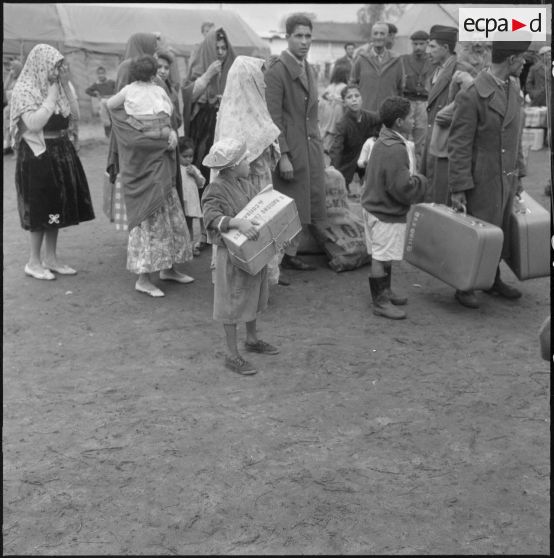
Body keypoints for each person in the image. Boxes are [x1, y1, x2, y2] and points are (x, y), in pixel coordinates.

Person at [448, 38, 531, 309]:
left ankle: (492, 278)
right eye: (522, 59)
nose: (525, 63)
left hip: (506, 175)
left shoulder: (513, 87)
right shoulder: (471, 94)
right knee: (478, 231)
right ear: (511, 60)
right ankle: (465, 285)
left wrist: (519, 173)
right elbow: (459, 144)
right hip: (481, 176)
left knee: (500, 230)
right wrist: (459, 185)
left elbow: (516, 135)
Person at [107, 51, 194, 297]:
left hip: (162, 159)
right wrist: (137, 130)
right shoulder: (129, 91)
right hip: (144, 162)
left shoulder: (159, 90)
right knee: (149, 218)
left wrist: (171, 134)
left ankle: (169, 268)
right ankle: (143, 278)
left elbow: (172, 118)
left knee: (170, 213)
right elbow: (111, 107)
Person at [9, 44, 95, 280]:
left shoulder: (57, 86)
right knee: (39, 208)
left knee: (55, 208)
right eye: (55, 67)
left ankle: (51, 258)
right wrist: (51, 96)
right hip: (37, 157)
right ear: (41, 64)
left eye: (60, 66)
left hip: (60, 153)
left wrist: (66, 87)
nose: (58, 71)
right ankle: (33, 262)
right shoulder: (24, 90)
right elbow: (35, 124)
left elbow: (74, 117)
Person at [202, 138, 279, 376]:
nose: (249, 162)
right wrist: (237, 222)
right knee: (232, 303)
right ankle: (231, 354)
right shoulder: (216, 188)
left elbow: (259, 209)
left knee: (252, 296)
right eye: (245, 159)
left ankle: (252, 339)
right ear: (234, 164)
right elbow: (210, 216)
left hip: (253, 252)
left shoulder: (244, 184)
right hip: (232, 257)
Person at [212, 55, 283, 285]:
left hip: (260, 182)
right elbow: (233, 156)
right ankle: (243, 280)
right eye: (260, 77)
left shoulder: (255, 106)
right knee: (248, 231)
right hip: (243, 188)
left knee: (262, 230)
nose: (263, 82)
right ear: (249, 79)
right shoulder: (234, 114)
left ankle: (262, 280)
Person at [264, 13, 326, 275]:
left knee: (303, 202)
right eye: (298, 36)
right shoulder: (278, 70)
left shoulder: (308, 67)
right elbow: (272, 117)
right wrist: (284, 155)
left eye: (308, 36)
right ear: (287, 38)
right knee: (286, 203)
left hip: (310, 146)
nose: (304, 41)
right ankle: (278, 259)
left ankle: (290, 254)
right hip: (291, 147)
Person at [361, 96, 427, 319]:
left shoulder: (383, 139)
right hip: (384, 212)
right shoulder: (396, 148)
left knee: (383, 253)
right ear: (399, 121)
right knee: (381, 255)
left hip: (373, 206)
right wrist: (420, 182)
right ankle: (380, 301)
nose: (414, 121)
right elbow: (401, 187)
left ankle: (385, 291)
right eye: (410, 118)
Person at [422, 25, 474, 203]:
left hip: (448, 142)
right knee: (431, 190)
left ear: (446, 48)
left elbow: (467, 108)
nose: (427, 51)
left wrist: (444, 116)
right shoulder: (434, 69)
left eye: (432, 46)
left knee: (442, 194)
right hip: (433, 139)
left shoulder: (462, 70)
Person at [182, 27, 237, 182]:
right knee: (202, 163)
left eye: (223, 48)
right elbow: (187, 97)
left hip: (225, 127)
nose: (220, 52)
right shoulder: (198, 67)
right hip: (201, 129)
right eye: (216, 48)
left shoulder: (232, 70)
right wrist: (208, 75)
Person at [329, 84, 381, 195]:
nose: (354, 99)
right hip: (348, 158)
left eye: (357, 96)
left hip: (366, 157)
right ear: (344, 102)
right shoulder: (342, 124)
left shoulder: (371, 117)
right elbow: (336, 148)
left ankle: (367, 185)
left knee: (370, 186)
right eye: (349, 97)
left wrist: (377, 136)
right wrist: (333, 170)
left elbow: (384, 120)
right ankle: (345, 186)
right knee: (341, 189)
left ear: (361, 98)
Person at [107, 55, 173, 138]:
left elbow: (110, 104)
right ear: (153, 77)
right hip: (163, 128)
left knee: (130, 119)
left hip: (144, 129)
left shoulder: (128, 89)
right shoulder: (159, 89)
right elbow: (170, 107)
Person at [349, 22, 403, 113]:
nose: (378, 37)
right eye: (376, 33)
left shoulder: (396, 61)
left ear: (387, 36)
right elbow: (352, 85)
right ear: (371, 36)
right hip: (365, 114)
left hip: (388, 115)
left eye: (382, 34)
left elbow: (400, 88)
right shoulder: (361, 59)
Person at [400, 30, 433, 171]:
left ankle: (419, 172)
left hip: (424, 103)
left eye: (421, 44)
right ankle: (402, 169)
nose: (418, 47)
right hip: (407, 101)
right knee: (402, 137)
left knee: (421, 141)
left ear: (427, 44)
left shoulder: (432, 60)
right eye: (415, 44)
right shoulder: (403, 59)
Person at [178, 136, 205, 256]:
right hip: (179, 203)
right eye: (185, 156)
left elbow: (201, 184)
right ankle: (180, 248)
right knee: (178, 227)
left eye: (191, 156)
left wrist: (195, 175)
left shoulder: (193, 169)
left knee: (189, 225)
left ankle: (190, 246)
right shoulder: (176, 169)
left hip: (190, 202)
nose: (188, 159)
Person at [318, 63, 349, 154]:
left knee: (327, 128)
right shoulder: (344, 86)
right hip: (338, 109)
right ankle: (328, 147)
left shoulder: (331, 85)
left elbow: (323, 95)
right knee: (334, 130)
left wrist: (330, 98)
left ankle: (323, 145)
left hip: (328, 109)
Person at [84, 65, 116, 137]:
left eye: (102, 73)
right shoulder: (97, 84)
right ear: (97, 75)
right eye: (99, 74)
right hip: (103, 103)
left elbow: (118, 87)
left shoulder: (111, 82)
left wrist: (115, 94)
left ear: (105, 74)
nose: (101, 75)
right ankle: (107, 134)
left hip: (112, 101)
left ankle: (115, 135)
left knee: (113, 118)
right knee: (105, 119)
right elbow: (87, 91)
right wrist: (96, 95)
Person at [3, 59, 23, 153]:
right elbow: (5, 88)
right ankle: (9, 147)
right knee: (7, 129)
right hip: (8, 109)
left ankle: (17, 151)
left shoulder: (21, 80)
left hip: (17, 109)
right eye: (10, 69)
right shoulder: (11, 80)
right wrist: (9, 76)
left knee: (16, 130)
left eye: (13, 69)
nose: (11, 71)